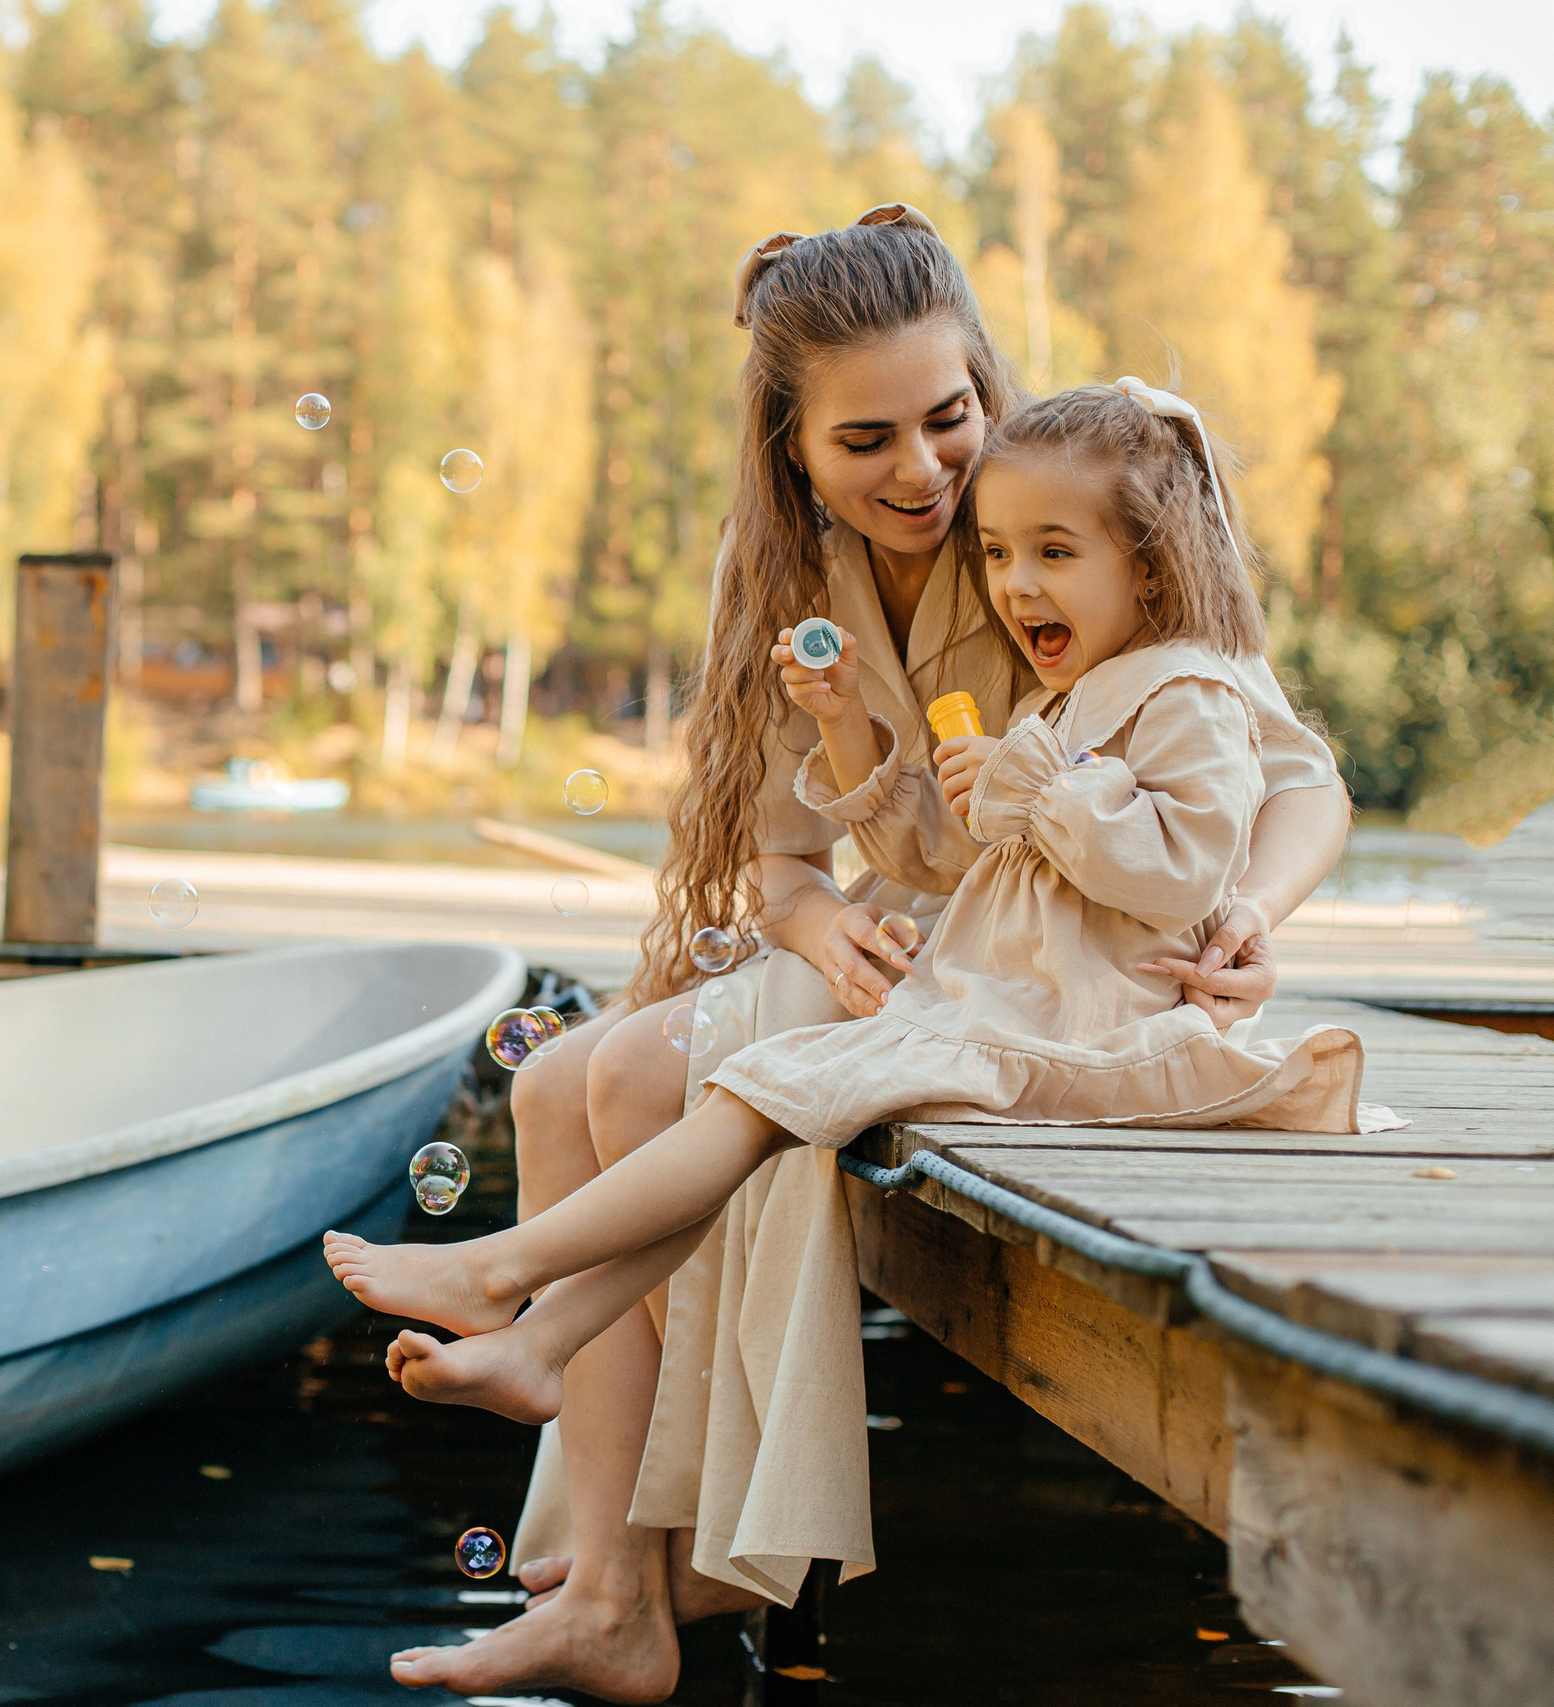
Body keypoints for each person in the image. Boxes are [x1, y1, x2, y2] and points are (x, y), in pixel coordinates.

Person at [368, 207, 1354, 1704]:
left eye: (950, 416)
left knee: (632, 1065)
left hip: (999, 968)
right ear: (792, 450)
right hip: (889, 954)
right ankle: (612, 1577)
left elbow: (1290, 773)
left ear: (988, 386)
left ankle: (635, 1544)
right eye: (866, 439)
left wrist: (1253, 912)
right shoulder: (779, 581)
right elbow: (783, 865)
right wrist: (822, 921)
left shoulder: (1064, 513)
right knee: (552, 1082)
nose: (924, 470)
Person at [331, 375, 1386, 1444]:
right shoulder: (1078, 693)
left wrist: (1042, 794)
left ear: (1150, 562)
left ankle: (506, 1283)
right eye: (999, 555)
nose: (1017, 585)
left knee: (754, 1095)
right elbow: (1007, 866)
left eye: (1054, 555)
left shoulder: (1190, 691)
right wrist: (912, 758)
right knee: (752, 1091)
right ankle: (532, 1337)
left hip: (1099, 1037)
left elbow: (1184, 873)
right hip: (1017, 1011)